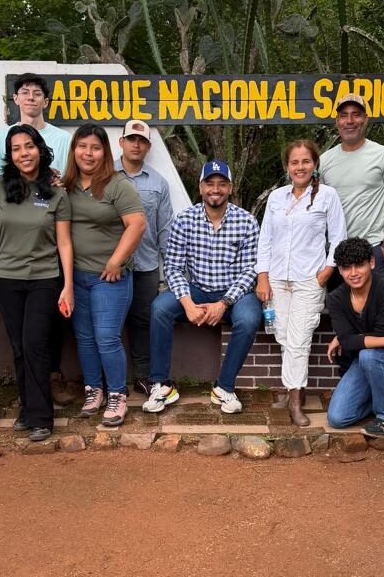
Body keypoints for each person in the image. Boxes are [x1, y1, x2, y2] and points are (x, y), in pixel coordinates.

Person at [143, 159, 262, 416]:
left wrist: (224, 303)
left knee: (249, 318)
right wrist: (187, 303)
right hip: (197, 289)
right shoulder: (184, 220)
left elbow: (250, 270)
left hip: (235, 293)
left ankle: (224, 387)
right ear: (200, 188)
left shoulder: (246, 221)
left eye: (222, 184)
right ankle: (162, 385)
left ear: (230, 188)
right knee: (160, 308)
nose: (215, 189)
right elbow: (173, 267)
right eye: (210, 184)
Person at [0, 73, 74, 406]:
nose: (31, 98)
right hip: (10, 266)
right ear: (16, 99)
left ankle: (49, 388)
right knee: (23, 343)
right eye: (25, 92)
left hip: (47, 251)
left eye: (38, 93)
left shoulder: (62, 140)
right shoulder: (0, 143)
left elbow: (68, 181)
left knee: (42, 335)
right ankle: (31, 405)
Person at [256, 139, 346, 426]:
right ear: (287, 167)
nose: (300, 167)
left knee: (299, 340)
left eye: (306, 161)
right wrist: (262, 276)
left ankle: (295, 402)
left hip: (309, 279)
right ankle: (294, 388)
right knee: (284, 336)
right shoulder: (276, 197)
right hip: (277, 280)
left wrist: (326, 272)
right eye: (294, 162)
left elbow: (339, 238)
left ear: (315, 164)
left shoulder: (327, 196)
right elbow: (265, 239)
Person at [64, 124, 146, 427]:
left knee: (106, 337)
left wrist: (115, 261)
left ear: (105, 152)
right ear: (74, 150)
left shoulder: (117, 184)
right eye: (82, 146)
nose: (88, 153)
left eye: (95, 148)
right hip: (77, 277)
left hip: (109, 279)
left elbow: (137, 224)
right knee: (85, 338)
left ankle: (117, 394)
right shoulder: (67, 186)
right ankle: (93, 390)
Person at [325, 238, 384, 437]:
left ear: (371, 262)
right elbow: (348, 341)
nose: (353, 273)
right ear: (340, 270)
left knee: (369, 354)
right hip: (365, 362)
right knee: (337, 418)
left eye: (359, 265)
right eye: (346, 267)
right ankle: (382, 397)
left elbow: (380, 333)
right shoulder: (335, 298)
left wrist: (349, 338)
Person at [114, 120, 174, 397]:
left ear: (148, 146)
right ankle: (111, 382)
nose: (136, 145)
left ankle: (142, 376)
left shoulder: (158, 183)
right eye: (131, 139)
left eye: (142, 141)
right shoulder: (106, 175)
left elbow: (165, 229)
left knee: (142, 322)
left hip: (145, 264)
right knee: (109, 323)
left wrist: (169, 271)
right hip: (111, 265)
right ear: (121, 142)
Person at [319, 93, 384, 275]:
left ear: (366, 119)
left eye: (356, 114)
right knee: (337, 295)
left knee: (378, 295)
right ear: (337, 121)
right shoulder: (324, 161)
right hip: (336, 252)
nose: (349, 121)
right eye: (344, 115)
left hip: (371, 249)